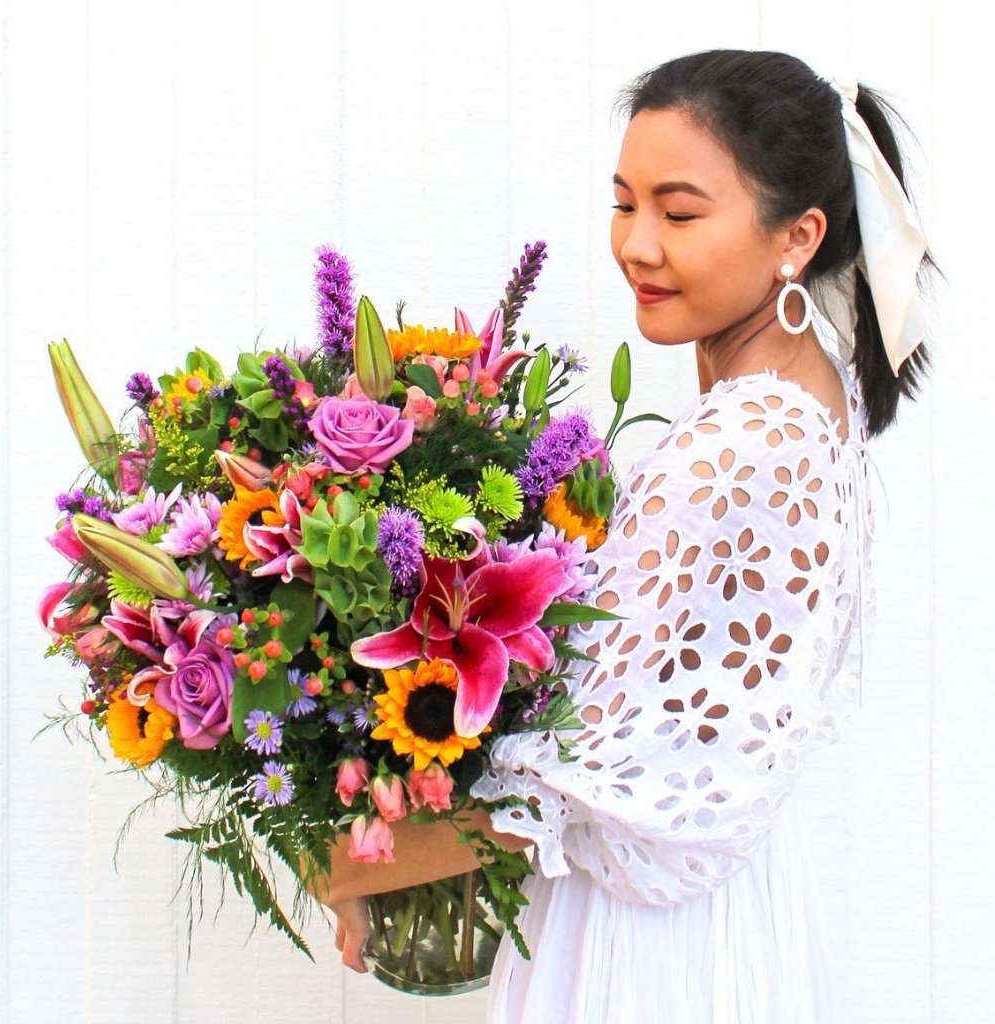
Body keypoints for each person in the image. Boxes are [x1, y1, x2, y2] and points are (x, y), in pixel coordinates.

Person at [315, 49, 933, 1022]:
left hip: (649, 953)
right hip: (729, 914)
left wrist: (349, 865)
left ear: (797, 236)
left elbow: (576, 783)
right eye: (623, 203)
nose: (637, 245)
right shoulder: (803, 384)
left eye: (679, 214)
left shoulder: (738, 448)